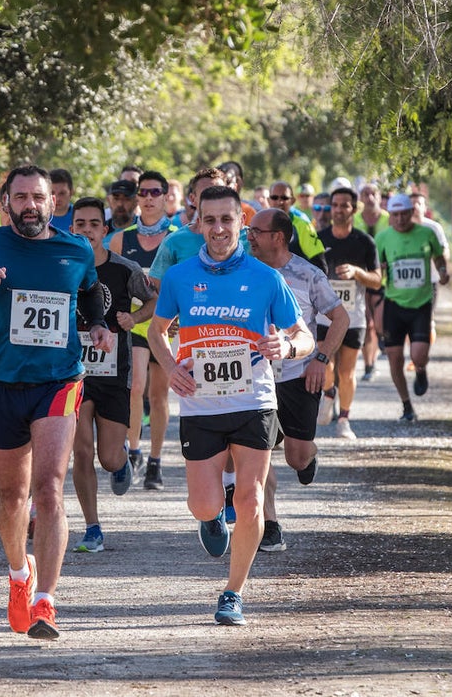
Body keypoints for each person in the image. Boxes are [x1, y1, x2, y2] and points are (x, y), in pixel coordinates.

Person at [0, 164, 111, 640]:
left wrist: (97, 325)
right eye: (21, 197)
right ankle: (18, 574)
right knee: (12, 498)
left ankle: (45, 601)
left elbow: (92, 292)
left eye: (39, 197)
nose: (30, 206)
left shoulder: (75, 249)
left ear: (54, 203)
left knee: (49, 490)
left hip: (58, 381)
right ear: (6, 202)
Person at [147, 185, 313, 627]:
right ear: (198, 224)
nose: (219, 229)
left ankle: (233, 593)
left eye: (227, 219)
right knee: (203, 504)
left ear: (242, 222)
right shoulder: (180, 276)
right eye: (210, 220)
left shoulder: (266, 278)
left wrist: (287, 347)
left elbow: (304, 336)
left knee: (251, 497)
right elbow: (156, 331)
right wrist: (171, 368)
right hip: (200, 404)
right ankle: (211, 517)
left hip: (254, 401)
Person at [246, 208, 348, 552]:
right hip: (254, 376)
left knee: (296, 457)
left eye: (256, 231)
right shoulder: (243, 270)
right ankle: (270, 524)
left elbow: (340, 318)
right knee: (256, 452)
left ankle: (309, 455)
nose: (249, 236)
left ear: (278, 237)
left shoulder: (308, 274)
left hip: (298, 374)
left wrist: (321, 358)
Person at [69, 197, 154, 551]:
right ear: (71, 228)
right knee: (81, 452)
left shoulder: (124, 268)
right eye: (80, 224)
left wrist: (133, 318)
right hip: (74, 372)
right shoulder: (63, 265)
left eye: (93, 224)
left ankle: (121, 462)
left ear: (105, 230)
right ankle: (93, 527)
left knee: (108, 457)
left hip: (114, 372)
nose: (87, 230)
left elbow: (153, 301)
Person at [109, 170, 175, 490]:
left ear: (165, 197)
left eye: (155, 192)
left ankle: (156, 461)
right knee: (135, 387)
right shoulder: (122, 239)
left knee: (158, 395)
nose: (149, 198)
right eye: (144, 192)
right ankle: (133, 451)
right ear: (138, 198)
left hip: (165, 325)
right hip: (134, 322)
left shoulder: (176, 237)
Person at [315, 186, 382, 439]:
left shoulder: (364, 242)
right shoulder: (318, 239)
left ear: (354, 209)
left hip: (354, 317)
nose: (338, 210)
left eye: (344, 205)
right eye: (335, 205)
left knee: (347, 372)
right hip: (324, 316)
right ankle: (328, 392)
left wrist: (357, 272)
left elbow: (377, 280)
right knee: (325, 365)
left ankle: (344, 419)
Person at [375, 193, 449, 422]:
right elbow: (376, 270)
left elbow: (438, 257)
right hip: (394, 304)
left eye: (404, 214)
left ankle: (420, 369)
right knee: (394, 358)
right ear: (390, 215)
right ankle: (406, 405)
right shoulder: (382, 238)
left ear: (411, 212)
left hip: (421, 304)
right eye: (395, 215)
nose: (400, 219)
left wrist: (443, 271)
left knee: (418, 355)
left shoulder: (427, 233)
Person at [354, 182, 389, 381]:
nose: (370, 197)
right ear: (360, 198)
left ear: (379, 196)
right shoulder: (355, 219)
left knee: (380, 325)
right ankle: (369, 365)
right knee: (368, 324)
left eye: (373, 193)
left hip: (383, 279)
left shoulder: (388, 219)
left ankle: (382, 346)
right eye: (365, 193)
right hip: (360, 279)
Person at [266, 181, 328, 273]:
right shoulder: (259, 225)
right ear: (268, 200)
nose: (280, 202)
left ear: (292, 201)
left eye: (285, 198)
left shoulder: (303, 226)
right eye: (275, 198)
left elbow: (321, 266)